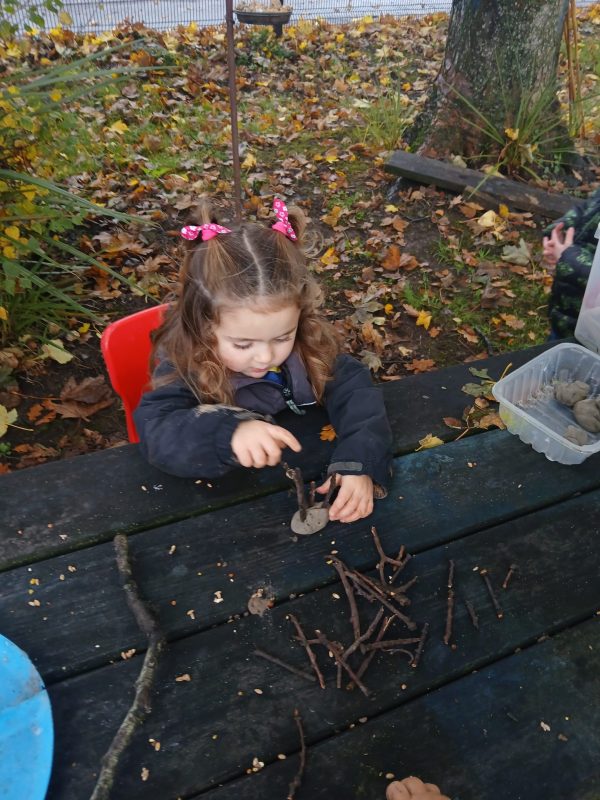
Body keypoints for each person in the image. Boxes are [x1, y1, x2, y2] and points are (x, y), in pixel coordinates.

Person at [133, 198, 392, 524]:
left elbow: (355, 391)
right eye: (243, 344)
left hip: (297, 467)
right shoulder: (187, 366)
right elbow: (157, 433)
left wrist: (359, 462)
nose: (266, 356)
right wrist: (228, 433)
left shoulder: (308, 346)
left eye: (282, 337)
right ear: (202, 327)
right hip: (222, 511)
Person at [542, 188, 600, 338]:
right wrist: (563, 227)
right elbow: (589, 208)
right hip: (568, 308)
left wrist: (567, 255)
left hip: (593, 330)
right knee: (557, 344)